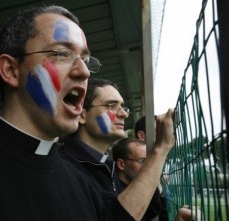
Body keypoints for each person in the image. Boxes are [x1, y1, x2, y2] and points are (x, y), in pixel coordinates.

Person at [0, 5, 132, 221]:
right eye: (61, 53)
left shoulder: (85, 186)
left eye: (85, 60)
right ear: (11, 70)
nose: (84, 71)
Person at [59, 77, 175, 220]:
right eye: (111, 105)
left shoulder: (105, 165)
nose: (124, 113)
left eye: (122, 106)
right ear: (82, 115)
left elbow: (131, 212)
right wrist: (161, 149)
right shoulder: (64, 168)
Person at [112, 138, 202, 221]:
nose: (149, 166)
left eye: (149, 161)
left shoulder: (150, 193)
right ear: (121, 164)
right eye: (142, 161)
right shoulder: (112, 196)